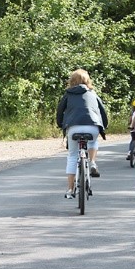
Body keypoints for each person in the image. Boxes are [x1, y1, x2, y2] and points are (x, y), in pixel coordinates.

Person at [56, 69, 108, 199]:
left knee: (73, 156)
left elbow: (60, 111)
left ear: (72, 81)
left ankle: (70, 189)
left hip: (73, 128)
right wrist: (104, 125)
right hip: (92, 126)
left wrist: (60, 123)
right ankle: (92, 163)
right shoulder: (93, 93)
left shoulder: (68, 94)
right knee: (93, 141)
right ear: (87, 80)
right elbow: (103, 112)